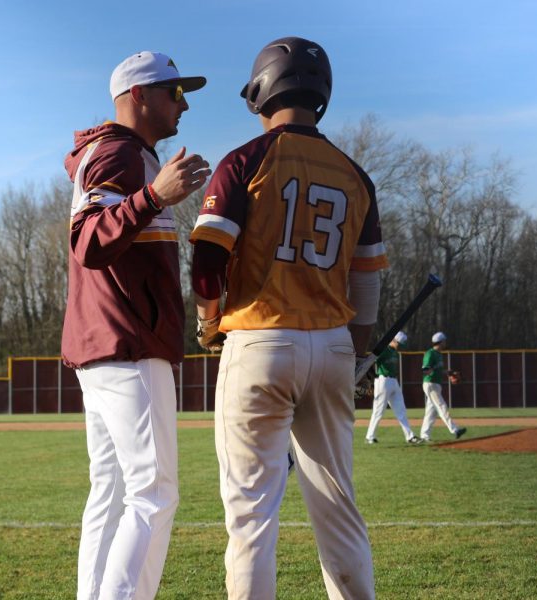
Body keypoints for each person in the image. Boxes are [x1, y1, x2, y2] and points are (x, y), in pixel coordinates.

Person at [190, 37, 387, 600]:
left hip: (258, 339)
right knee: (337, 505)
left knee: (251, 514)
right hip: (331, 345)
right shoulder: (354, 173)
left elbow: (207, 258)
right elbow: (366, 280)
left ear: (261, 89)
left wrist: (208, 321)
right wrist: (357, 348)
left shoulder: (245, 160)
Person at [60, 51, 210, 600]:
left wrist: (152, 194)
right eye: (174, 92)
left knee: (113, 490)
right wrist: (154, 196)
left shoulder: (122, 154)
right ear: (139, 96)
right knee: (153, 494)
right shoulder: (120, 154)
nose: (184, 103)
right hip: (128, 342)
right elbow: (88, 242)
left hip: (107, 343)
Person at [365, 331, 422, 445]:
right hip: (383, 381)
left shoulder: (395, 352)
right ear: (394, 340)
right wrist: (373, 378)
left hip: (394, 382)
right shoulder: (384, 350)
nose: (400, 347)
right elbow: (369, 363)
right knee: (378, 411)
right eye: (399, 344)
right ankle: (370, 436)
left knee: (401, 410)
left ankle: (410, 436)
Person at [419, 332, 466, 442]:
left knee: (431, 412)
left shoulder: (439, 354)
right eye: (444, 341)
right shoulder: (430, 353)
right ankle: (455, 430)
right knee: (442, 406)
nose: (445, 343)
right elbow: (425, 370)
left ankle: (424, 436)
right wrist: (431, 370)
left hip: (436, 384)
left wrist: (448, 373)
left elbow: (438, 370)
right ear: (440, 342)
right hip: (430, 384)